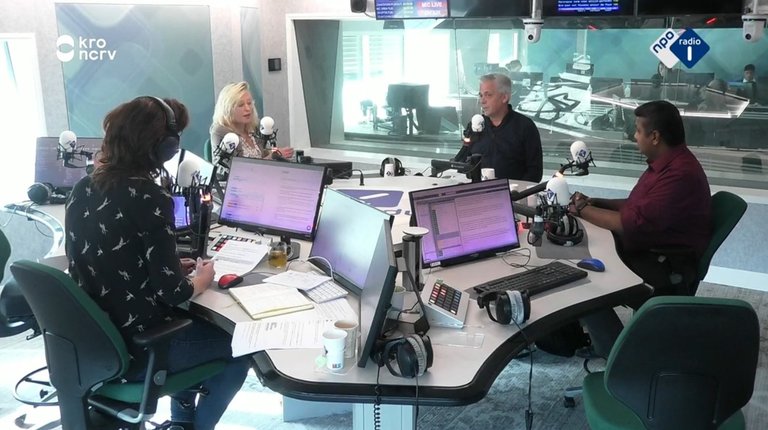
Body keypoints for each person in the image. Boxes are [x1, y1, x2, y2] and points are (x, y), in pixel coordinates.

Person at [65, 96, 249, 430]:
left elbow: (108, 256)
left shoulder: (81, 188)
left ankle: (181, 419)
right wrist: (201, 280)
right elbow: (173, 294)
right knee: (243, 346)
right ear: (164, 146)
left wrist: (166, 262)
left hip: (96, 340)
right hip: (139, 348)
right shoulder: (149, 196)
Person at [454, 73, 543, 182]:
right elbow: (462, 162)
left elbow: (534, 173)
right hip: (478, 193)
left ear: (504, 97)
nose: (482, 101)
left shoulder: (525, 127)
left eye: (488, 95)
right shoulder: (475, 125)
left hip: (513, 195)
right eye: (481, 95)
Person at [210, 81, 294, 162]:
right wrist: (272, 156)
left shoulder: (254, 127)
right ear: (228, 109)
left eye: (249, 103)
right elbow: (236, 169)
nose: (247, 108)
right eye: (241, 105)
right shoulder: (220, 132)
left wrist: (274, 151)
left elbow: (259, 154)